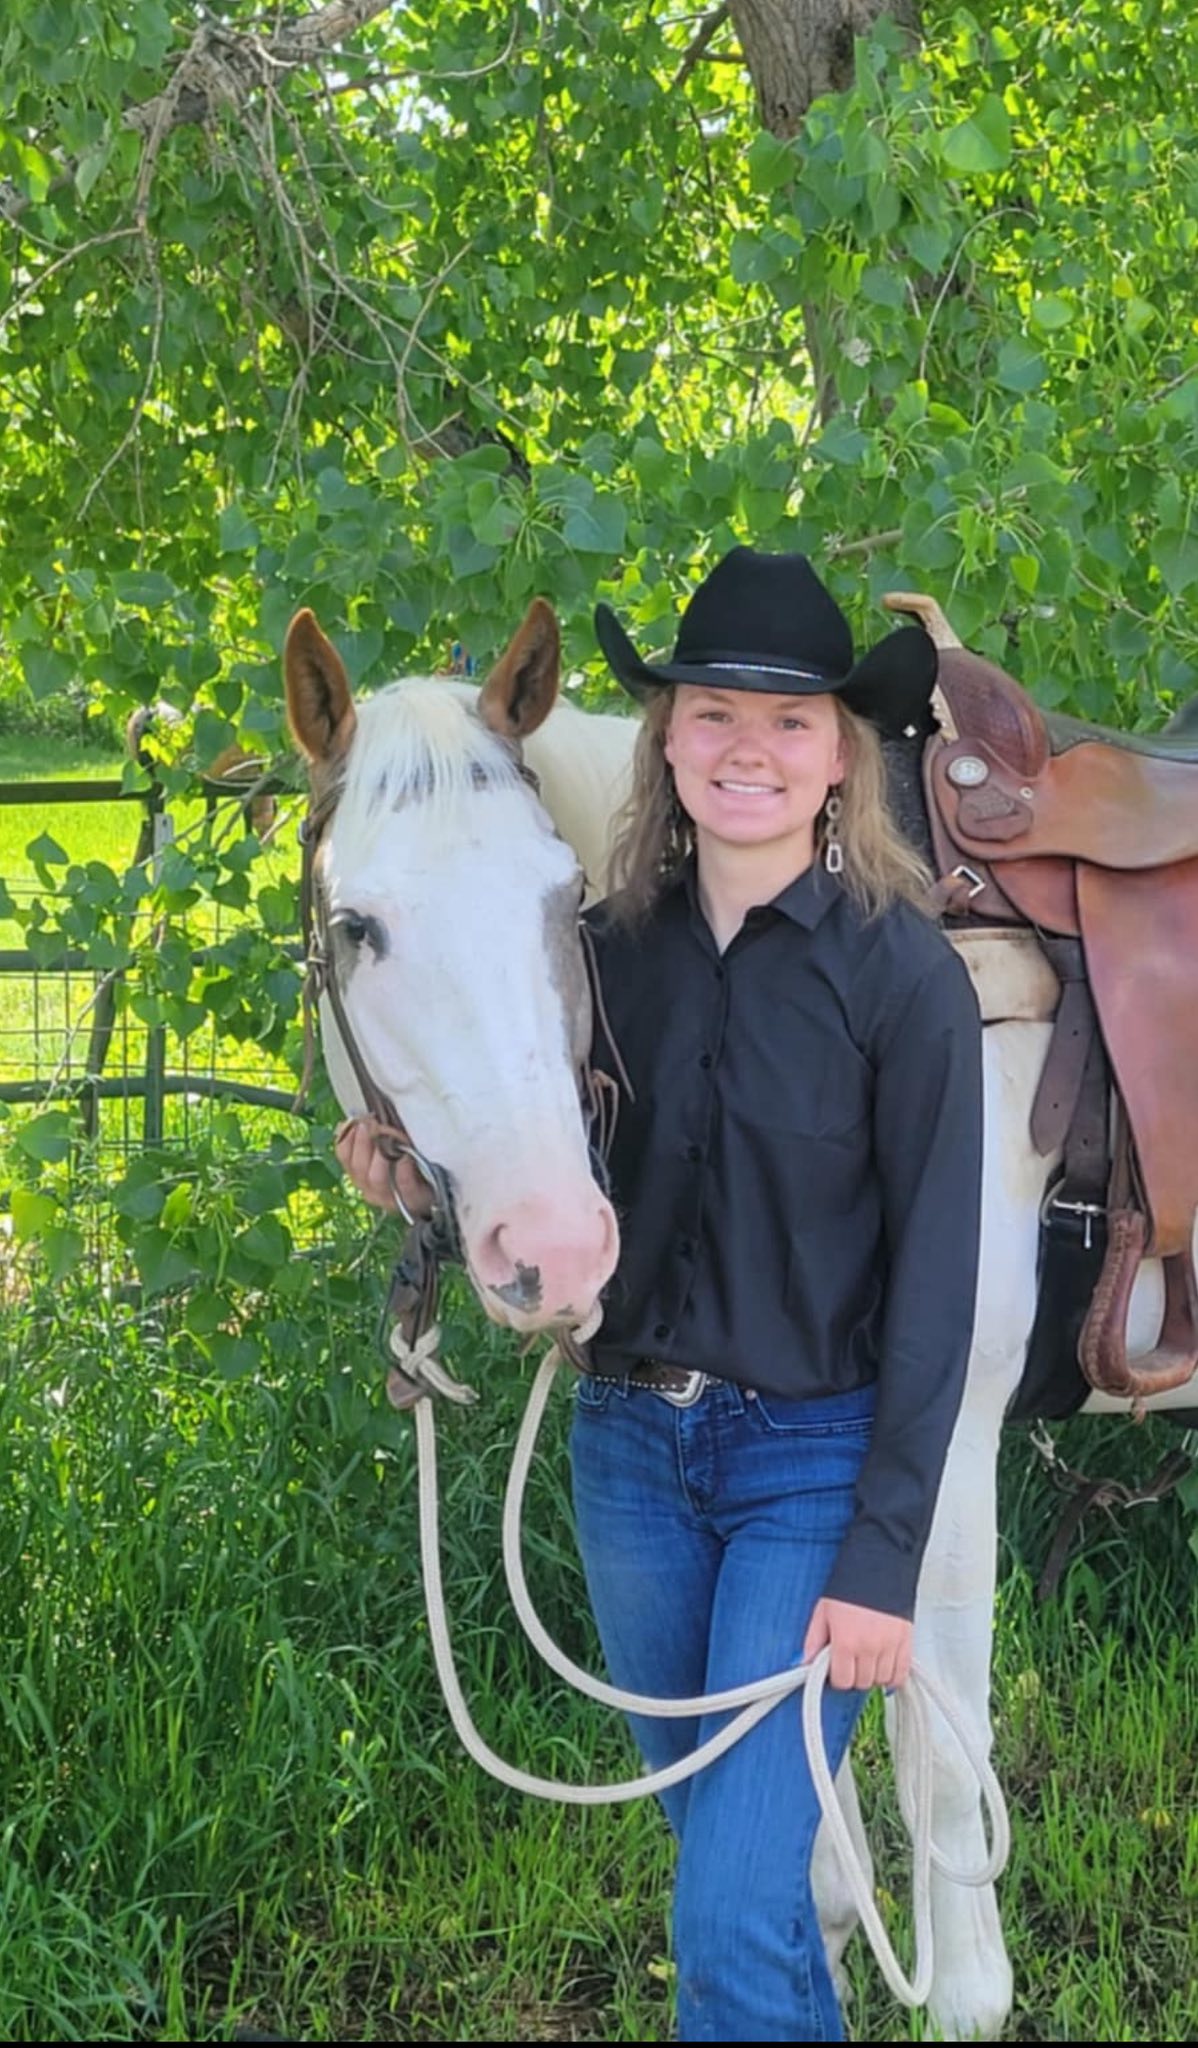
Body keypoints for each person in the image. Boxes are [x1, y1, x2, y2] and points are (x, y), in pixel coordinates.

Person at [337, 548, 984, 2044]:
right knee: (727, 1876)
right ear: (663, 741)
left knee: (728, 1911)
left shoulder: (902, 982)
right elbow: (524, 1124)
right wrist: (410, 1168)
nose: (745, 750)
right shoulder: (600, 957)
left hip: (806, 1472)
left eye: (788, 722)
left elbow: (935, 1297)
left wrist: (883, 1561)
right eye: (709, 715)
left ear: (841, 757)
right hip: (626, 1461)